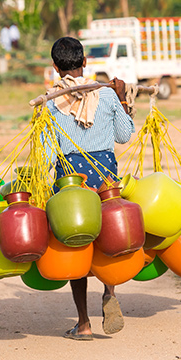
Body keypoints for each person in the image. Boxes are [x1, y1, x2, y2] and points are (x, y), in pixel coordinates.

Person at [45, 37, 135, 341]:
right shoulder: (107, 95)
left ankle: (83, 324)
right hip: (106, 179)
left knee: (77, 245)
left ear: (56, 67)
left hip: (71, 183)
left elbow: (46, 155)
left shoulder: (50, 103)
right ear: (85, 62)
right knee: (109, 235)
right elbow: (124, 135)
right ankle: (110, 291)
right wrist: (122, 100)